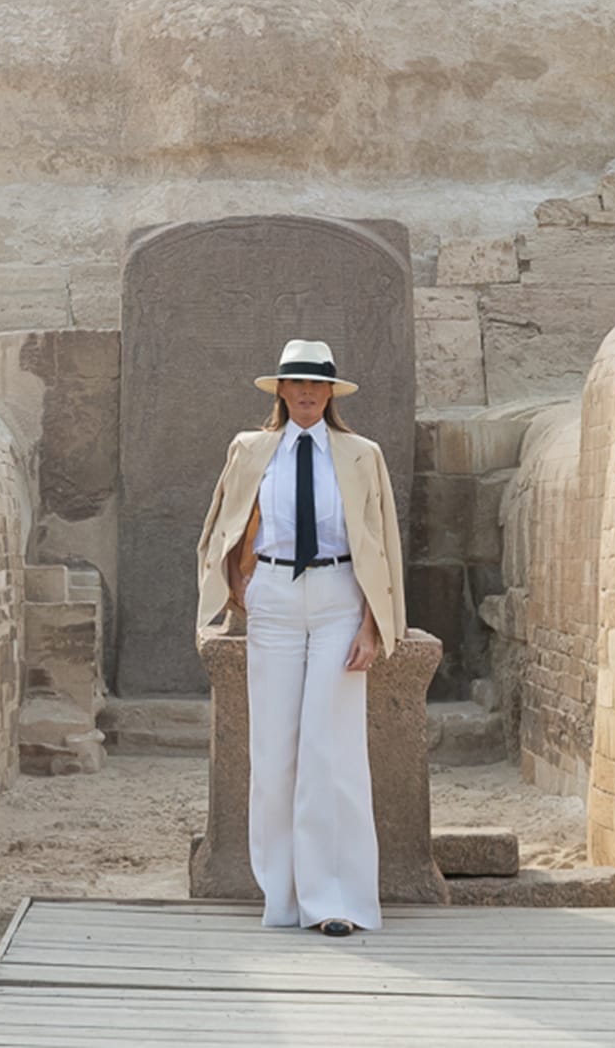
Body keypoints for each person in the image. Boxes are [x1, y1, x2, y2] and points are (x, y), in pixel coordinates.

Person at [196, 337, 405, 935]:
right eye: (298, 382)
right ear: (281, 390)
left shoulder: (363, 454)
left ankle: (335, 900)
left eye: (319, 384)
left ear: (331, 392)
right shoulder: (251, 449)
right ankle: (284, 898)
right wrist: (237, 581)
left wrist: (372, 623)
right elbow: (222, 520)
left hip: (340, 598)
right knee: (274, 752)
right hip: (276, 601)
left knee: (331, 749)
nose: (309, 392)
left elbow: (381, 543)